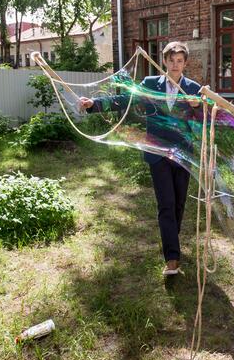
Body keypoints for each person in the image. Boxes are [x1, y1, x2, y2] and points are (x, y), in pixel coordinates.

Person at [79, 41, 201, 276]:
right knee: (166, 204)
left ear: (185, 63)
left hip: (183, 154)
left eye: (180, 61)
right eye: (171, 60)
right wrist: (95, 104)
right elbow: (126, 100)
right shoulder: (150, 84)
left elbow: (202, 118)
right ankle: (172, 259)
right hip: (157, 154)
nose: (175, 65)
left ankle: (171, 240)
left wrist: (198, 106)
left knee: (178, 205)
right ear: (164, 61)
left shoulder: (193, 89)